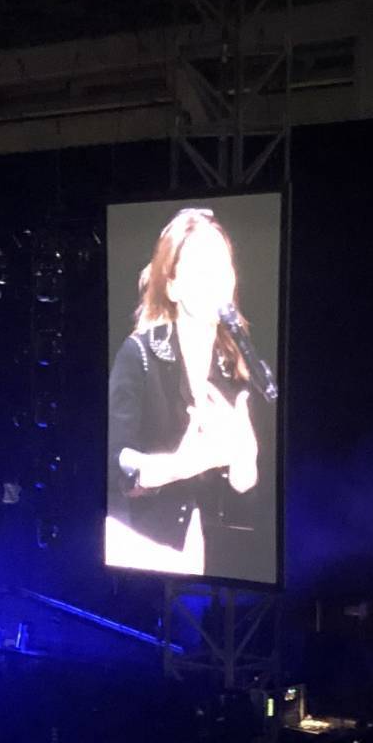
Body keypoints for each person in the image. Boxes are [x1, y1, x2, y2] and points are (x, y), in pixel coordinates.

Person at [106, 207, 269, 576]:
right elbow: (114, 462)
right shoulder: (140, 354)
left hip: (209, 558)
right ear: (173, 285)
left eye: (222, 267)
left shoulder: (238, 364)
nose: (215, 279)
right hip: (138, 551)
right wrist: (179, 465)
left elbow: (246, 493)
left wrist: (245, 460)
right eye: (201, 268)